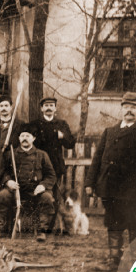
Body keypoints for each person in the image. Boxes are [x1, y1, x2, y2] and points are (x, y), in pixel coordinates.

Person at [85, 92, 136, 272]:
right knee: (113, 223)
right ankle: (114, 260)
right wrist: (90, 183)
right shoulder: (109, 132)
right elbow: (97, 159)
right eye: (126, 107)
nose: (129, 111)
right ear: (121, 109)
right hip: (111, 188)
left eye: (134, 108)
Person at [0, 122, 56, 240]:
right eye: (22, 136)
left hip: (35, 190)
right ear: (19, 138)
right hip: (15, 189)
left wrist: (43, 185)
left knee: (47, 197)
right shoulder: (10, 154)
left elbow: (51, 175)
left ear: (34, 138)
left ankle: (42, 231)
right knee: (2, 195)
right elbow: (2, 172)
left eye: (28, 136)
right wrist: (8, 182)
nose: (25, 138)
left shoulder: (42, 155)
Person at [30, 96, 76, 231]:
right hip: (39, 165)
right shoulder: (35, 124)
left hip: (55, 166)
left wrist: (63, 136)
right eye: (46, 105)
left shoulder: (62, 124)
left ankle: (51, 226)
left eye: (51, 105)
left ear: (55, 109)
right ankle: (38, 225)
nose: (49, 108)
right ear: (41, 108)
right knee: (38, 193)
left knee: (55, 196)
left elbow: (71, 143)